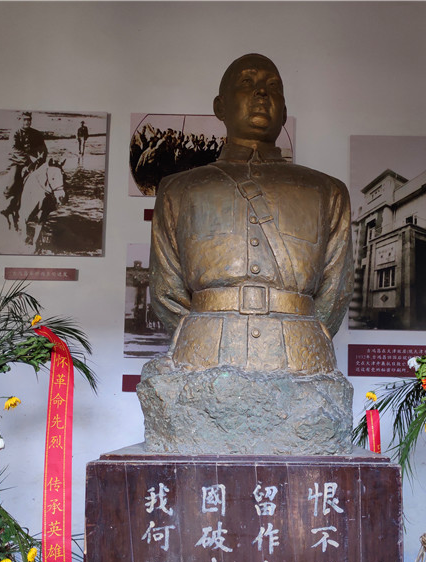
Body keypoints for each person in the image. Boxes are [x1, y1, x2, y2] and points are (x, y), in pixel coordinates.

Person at [149, 53, 353, 376]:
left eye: (273, 86)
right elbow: (167, 291)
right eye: (247, 82)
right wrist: (205, 329)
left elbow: (335, 294)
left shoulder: (327, 191)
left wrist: (301, 329)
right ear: (220, 106)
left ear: (284, 112)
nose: (261, 92)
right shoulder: (178, 190)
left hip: (301, 356)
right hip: (203, 355)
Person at [1, 111, 47, 217]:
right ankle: (7, 203)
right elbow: (13, 149)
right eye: (24, 120)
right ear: (19, 120)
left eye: (29, 120)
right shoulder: (15, 133)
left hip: (34, 162)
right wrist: (28, 158)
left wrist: (41, 159)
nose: (27, 122)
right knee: (13, 180)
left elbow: (43, 148)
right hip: (17, 161)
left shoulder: (36, 133)